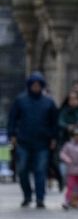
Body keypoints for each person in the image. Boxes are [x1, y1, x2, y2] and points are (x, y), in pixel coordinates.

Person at [7, 73, 57, 209]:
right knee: (22, 170)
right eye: (33, 85)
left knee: (40, 170)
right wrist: (12, 134)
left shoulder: (48, 102)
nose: (36, 87)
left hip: (42, 142)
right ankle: (27, 195)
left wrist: (53, 138)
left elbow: (54, 122)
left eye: (38, 85)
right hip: (23, 141)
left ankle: (40, 198)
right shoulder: (20, 100)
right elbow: (12, 119)